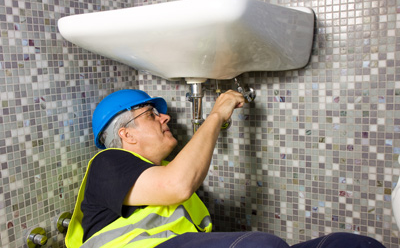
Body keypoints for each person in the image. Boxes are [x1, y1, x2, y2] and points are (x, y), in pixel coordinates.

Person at [65, 89, 386, 248]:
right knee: (262, 246)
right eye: (151, 114)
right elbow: (176, 184)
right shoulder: (107, 163)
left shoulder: (160, 175)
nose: (165, 118)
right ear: (126, 133)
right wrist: (216, 115)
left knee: (349, 245)